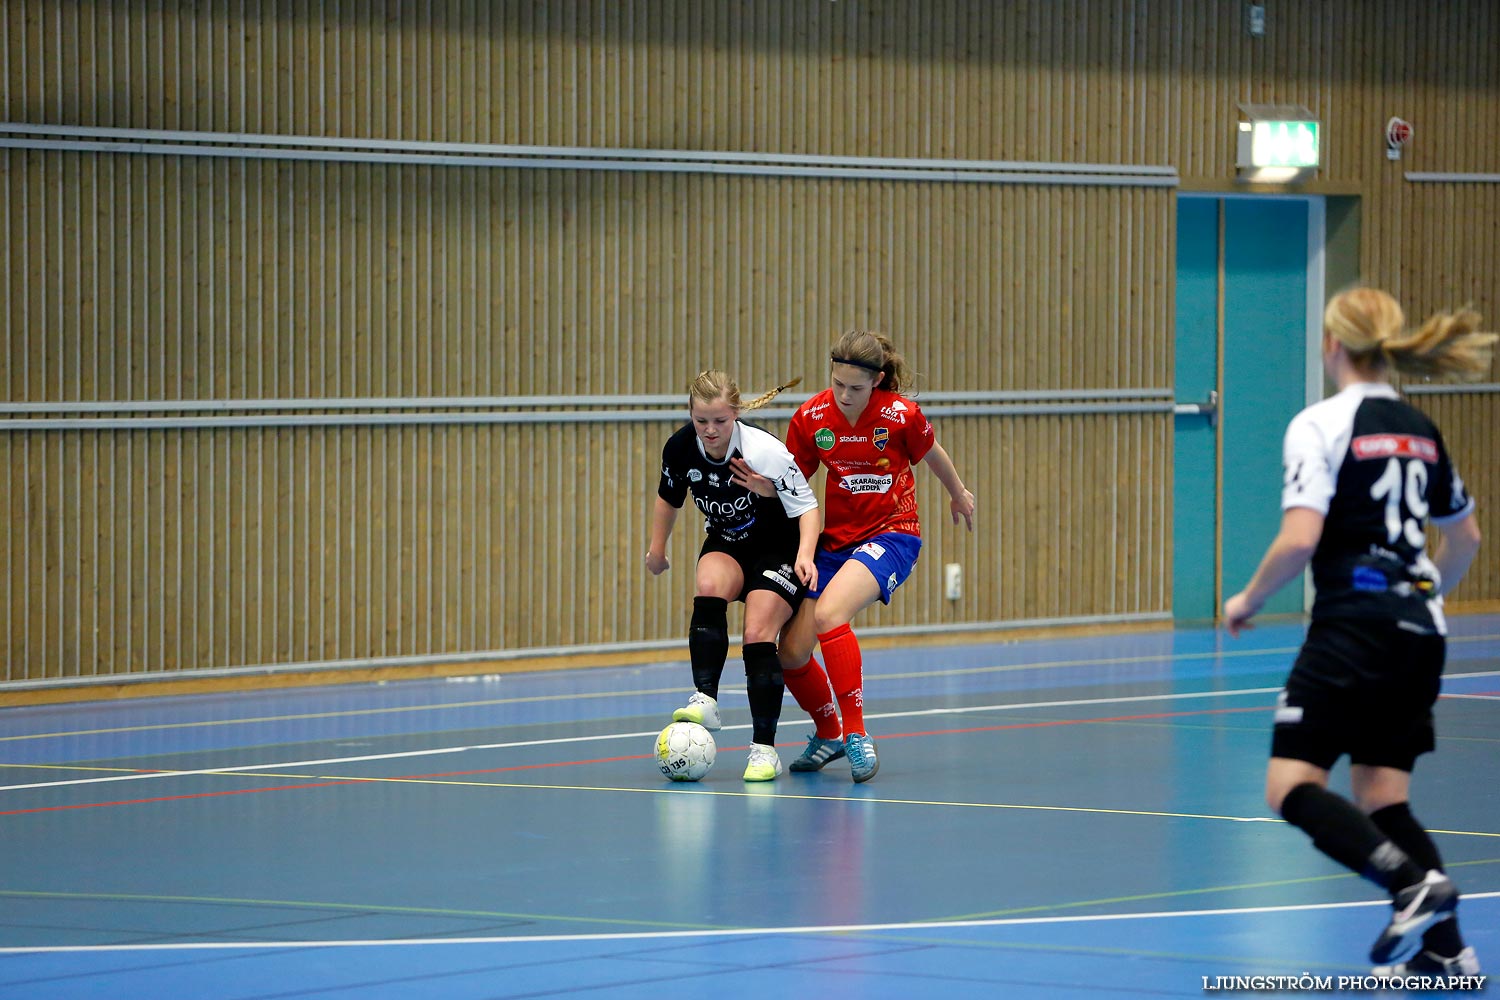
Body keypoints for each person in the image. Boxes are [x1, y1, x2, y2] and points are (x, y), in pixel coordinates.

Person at [1223, 288, 1494, 974]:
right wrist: (1426, 594)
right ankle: (1445, 952)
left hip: (1354, 625)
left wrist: (1247, 600)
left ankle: (1410, 885)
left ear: (1332, 345)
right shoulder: (1419, 427)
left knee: (1289, 785)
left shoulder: (1319, 424)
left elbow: (1300, 537)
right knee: (1382, 798)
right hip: (1419, 632)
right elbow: (1465, 537)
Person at [769, 330, 975, 783]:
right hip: (834, 543)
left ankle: (857, 734)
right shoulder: (811, 417)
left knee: (829, 615)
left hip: (892, 535)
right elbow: (793, 483)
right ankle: (827, 734)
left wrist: (958, 494)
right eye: (837, 383)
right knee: (792, 651)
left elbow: (932, 453)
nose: (844, 395)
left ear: (878, 380)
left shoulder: (901, 415)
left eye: (856, 388)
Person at [646, 370, 820, 781]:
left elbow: (808, 508)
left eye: (720, 421)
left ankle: (764, 750)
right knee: (708, 584)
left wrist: (805, 554)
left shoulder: (764, 451)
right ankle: (705, 697)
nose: (709, 430)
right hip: (728, 540)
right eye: (701, 420)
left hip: (779, 549)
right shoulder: (681, 447)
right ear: (690, 413)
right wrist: (657, 549)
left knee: (758, 633)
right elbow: (667, 499)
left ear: (736, 415)